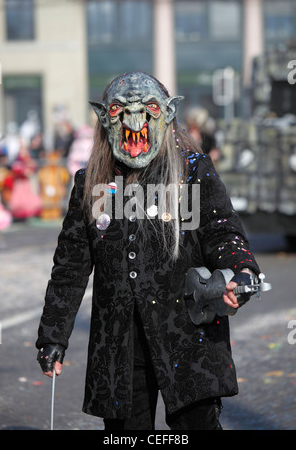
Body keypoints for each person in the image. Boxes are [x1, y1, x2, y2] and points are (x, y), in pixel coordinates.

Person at [36, 72, 260, 430]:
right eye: (120, 111)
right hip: (120, 348)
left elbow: (222, 231)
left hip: (188, 339)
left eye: (148, 109)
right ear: (104, 118)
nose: (133, 120)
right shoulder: (91, 183)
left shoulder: (191, 172)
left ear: (168, 115)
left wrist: (241, 273)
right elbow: (70, 267)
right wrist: (52, 336)